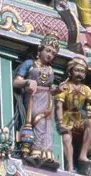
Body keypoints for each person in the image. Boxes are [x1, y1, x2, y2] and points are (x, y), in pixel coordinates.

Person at [13, 36, 59, 167]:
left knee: (47, 126)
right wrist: (28, 81)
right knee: (36, 121)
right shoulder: (30, 64)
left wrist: (58, 89)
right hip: (33, 96)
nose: (50, 55)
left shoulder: (50, 70)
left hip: (47, 98)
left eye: (53, 53)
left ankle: (46, 153)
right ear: (40, 50)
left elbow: (51, 88)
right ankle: (35, 150)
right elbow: (16, 82)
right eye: (48, 51)